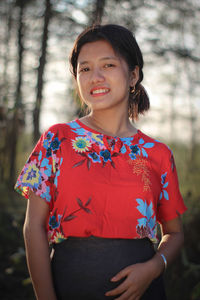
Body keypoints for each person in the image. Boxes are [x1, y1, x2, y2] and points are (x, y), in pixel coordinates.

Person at [15, 24, 187, 300]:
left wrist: (154, 268)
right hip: (70, 286)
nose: (95, 77)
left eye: (107, 65)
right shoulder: (57, 139)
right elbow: (33, 226)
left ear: (133, 75)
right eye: (84, 69)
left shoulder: (158, 154)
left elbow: (175, 233)